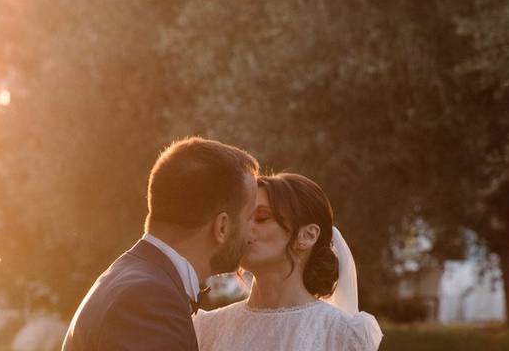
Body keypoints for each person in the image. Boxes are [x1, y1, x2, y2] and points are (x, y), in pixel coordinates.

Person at [62, 136, 259, 351]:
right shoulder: (147, 300)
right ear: (222, 227)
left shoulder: (139, 281)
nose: (253, 232)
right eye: (250, 218)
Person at [194, 173, 383, 350]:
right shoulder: (206, 328)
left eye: (261, 218)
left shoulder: (343, 335)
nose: (244, 228)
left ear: (308, 236)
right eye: (244, 218)